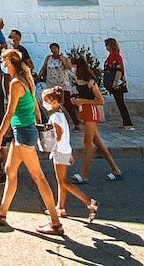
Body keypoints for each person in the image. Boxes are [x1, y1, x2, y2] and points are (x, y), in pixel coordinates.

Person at [0, 49, 64, 235]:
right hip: (23, 132)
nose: (2, 65)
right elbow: (34, 105)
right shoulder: (24, 79)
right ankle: (1, 212)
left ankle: (55, 223)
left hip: (23, 133)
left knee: (39, 178)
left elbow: (10, 112)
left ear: (10, 63)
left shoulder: (16, 83)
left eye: (4, 62)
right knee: (10, 170)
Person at [41, 86, 98, 222]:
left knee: (63, 181)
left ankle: (89, 202)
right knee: (61, 181)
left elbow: (59, 135)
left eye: (46, 101)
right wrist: (69, 153)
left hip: (60, 151)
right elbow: (65, 135)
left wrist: (53, 148)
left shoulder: (54, 117)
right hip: (65, 150)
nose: (44, 104)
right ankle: (60, 207)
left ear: (53, 101)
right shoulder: (61, 114)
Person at [69, 57, 123, 183]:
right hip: (84, 111)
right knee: (98, 143)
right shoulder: (78, 81)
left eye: (74, 66)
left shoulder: (90, 82)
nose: (73, 69)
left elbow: (100, 101)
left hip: (91, 112)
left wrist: (82, 101)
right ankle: (116, 170)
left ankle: (84, 174)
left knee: (88, 143)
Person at [38, 43, 80, 131]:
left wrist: (62, 59)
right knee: (52, 103)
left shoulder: (63, 58)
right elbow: (44, 67)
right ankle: (54, 122)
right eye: (52, 49)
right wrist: (40, 75)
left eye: (55, 48)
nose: (53, 50)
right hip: (51, 83)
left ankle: (76, 122)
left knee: (67, 103)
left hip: (63, 84)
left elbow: (69, 67)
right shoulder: (48, 58)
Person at [103, 38, 134, 130]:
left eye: (107, 45)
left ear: (111, 45)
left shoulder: (116, 56)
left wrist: (116, 82)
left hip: (117, 84)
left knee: (121, 103)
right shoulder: (111, 56)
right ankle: (126, 122)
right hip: (114, 82)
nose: (106, 47)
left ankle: (128, 123)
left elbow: (118, 70)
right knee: (119, 103)